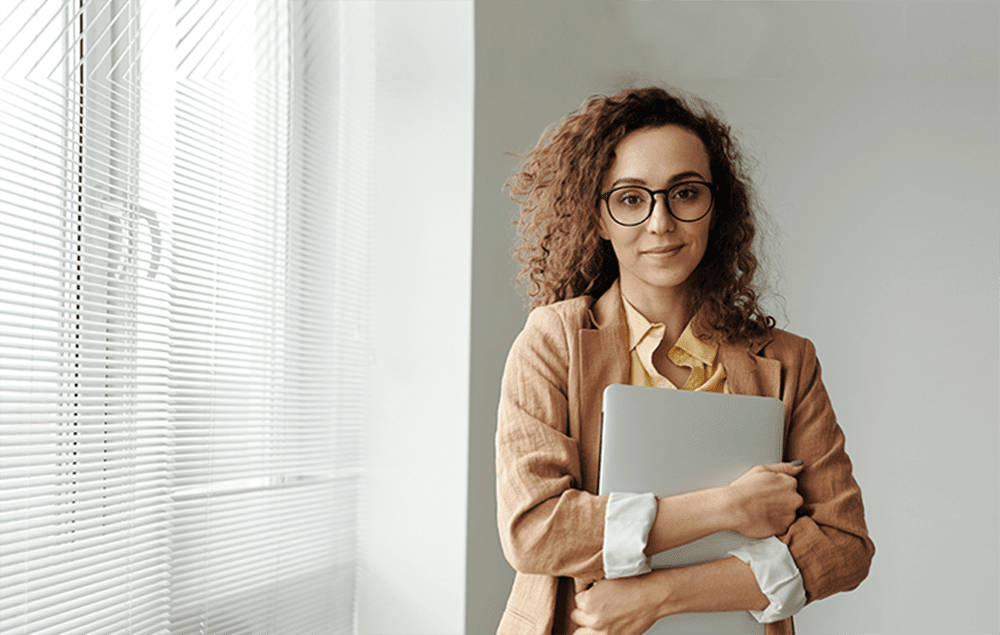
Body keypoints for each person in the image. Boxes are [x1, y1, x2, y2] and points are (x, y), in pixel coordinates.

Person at [495, 86, 874, 635]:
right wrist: (728, 508)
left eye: (685, 194)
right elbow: (536, 530)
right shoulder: (553, 342)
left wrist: (656, 597)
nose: (660, 223)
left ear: (715, 208)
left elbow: (844, 545)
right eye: (630, 198)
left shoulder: (789, 362)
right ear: (598, 217)